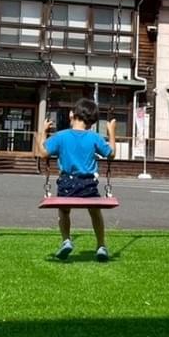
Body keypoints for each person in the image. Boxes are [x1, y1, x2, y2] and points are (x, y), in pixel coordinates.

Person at [34, 97, 116, 261]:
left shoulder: (61, 136)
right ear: (92, 121)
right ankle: (101, 245)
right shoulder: (94, 137)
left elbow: (42, 153)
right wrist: (111, 132)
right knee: (95, 212)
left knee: (64, 211)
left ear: (72, 114)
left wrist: (42, 132)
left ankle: (66, 240)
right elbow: (111, 154)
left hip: (66, 185)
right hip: (88, 186)